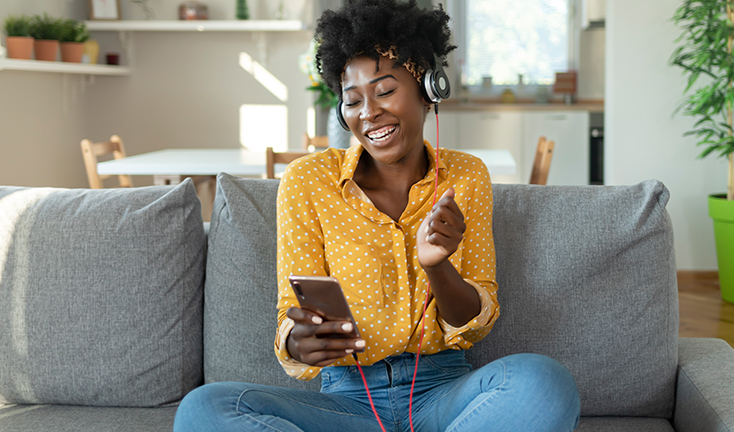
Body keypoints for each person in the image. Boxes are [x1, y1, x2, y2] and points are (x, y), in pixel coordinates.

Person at [174, 1, 580, 431]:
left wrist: (438, 266)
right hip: (347, 401)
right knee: (205, 409)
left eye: (385, 91)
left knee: (544, 382)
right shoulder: (309, 182)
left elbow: (473, 325)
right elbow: (290, 320)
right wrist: (300, 342)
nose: (368, 112)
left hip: (444, 392)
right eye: (352, 100)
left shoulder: (464, 176)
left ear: (429, 88)